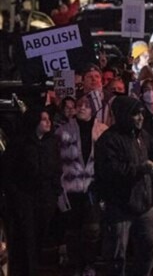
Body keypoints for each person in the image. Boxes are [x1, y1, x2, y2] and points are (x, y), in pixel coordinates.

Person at [94, 96, 153, 276]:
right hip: (119, 205)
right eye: (136, 114)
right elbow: (110, 170)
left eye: (142, 113)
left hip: (143, 203)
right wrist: (140, 169)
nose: (141, 117)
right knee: (117, 253)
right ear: (125, 115)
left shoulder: (141, 135)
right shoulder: (109, 139)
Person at [2, 107, 61, 276]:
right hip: (26, 198)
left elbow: (57, 168)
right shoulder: (20, 144)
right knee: (26, 240)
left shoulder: (51, 142)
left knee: (39, 239)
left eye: (48, 118)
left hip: (46, 199)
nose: (48, 122)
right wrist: (17, 196)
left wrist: (55, 192)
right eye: (43, 119)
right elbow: (8, 172)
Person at [56, 96, 108, 276]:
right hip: (71, 187)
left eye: (86, 106)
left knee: (93, 229)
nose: (82, 108)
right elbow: (57, 161)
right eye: (79, 105)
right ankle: (76, 265)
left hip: (93, 188)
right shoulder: (63, 131)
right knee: (73, 230)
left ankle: (89, 263)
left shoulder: (102, 131)